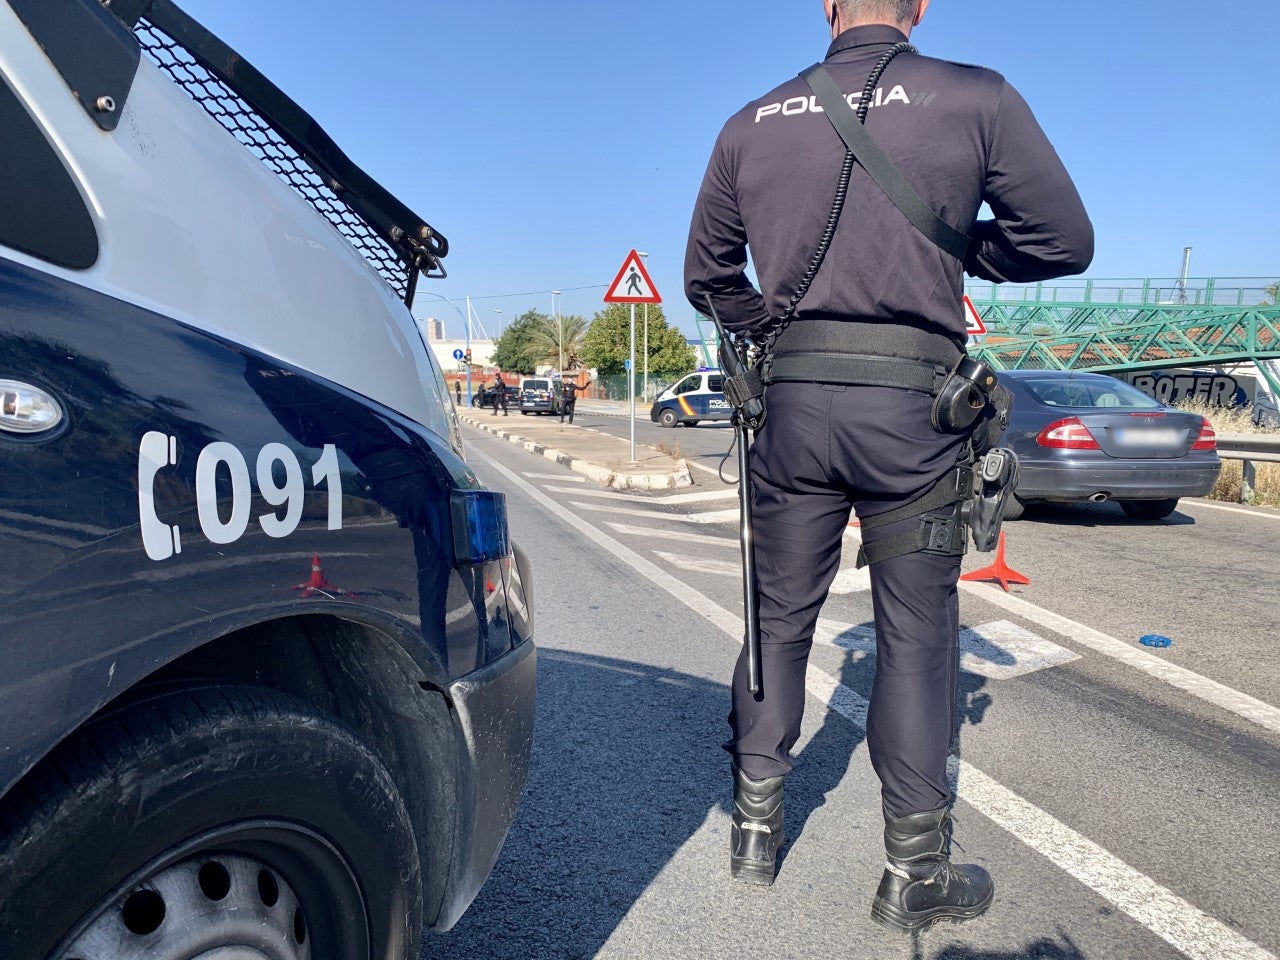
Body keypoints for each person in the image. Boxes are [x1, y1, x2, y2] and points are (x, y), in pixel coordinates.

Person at [684, 0, 1092, 934]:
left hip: (791, 409)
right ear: (921, 5)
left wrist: (776, 332)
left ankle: (754, 832)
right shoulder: (976, 97)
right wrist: (961, 247)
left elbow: (708, 276)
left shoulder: (750, 121)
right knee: (915, 635)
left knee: (777, 617)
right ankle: (913, 872)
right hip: (914, 410)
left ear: (827, 6)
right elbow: (1064, 241)